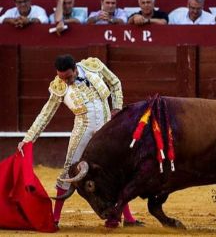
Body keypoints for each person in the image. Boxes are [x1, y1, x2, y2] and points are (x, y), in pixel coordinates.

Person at [17, 54, 144, 228]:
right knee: (69, 171)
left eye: (68, 77)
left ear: (76, 69)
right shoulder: (58, 86)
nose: (66, 81)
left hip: (107, 129)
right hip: (82, 130)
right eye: (61, 77)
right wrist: (28, 138)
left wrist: (116, 108)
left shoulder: (94, 66)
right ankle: (55, 219)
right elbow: (46, 114)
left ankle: (127, 219)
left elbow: (115, 83)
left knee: (115, 172)